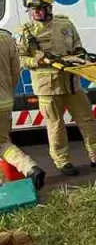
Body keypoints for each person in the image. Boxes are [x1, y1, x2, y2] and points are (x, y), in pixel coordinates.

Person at [16, 0, 96, 176]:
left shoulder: (65, 24)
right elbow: (21, 59)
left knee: (87, 119)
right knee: (55, 126)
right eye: (31, 9)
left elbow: (78, 45)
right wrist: (36, 60)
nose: (35, 12)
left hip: (72, 83)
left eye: (39, 8)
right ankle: (62, 162)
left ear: (48, 8)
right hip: (48, 88)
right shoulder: (27, 32)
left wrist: (81, 54)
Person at [0, 28, 45, 189]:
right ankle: (29, 168)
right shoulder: (5, 37)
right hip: (4, 102)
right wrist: (7, 93)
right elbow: (15, 73)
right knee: (3, 143)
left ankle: (4, 187)